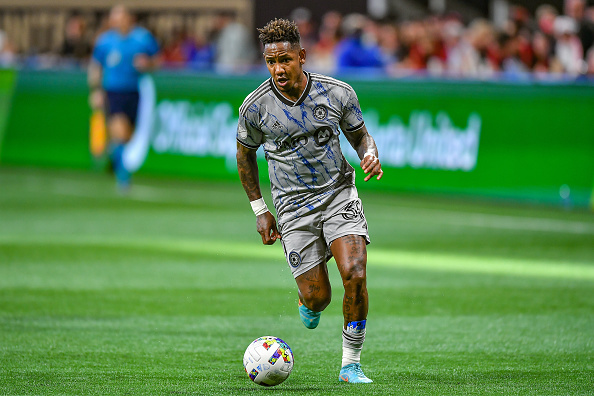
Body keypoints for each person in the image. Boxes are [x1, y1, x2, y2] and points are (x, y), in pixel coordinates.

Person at [236, 18, 383, 384]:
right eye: (271, 62)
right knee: (319, 298)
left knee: (356, 273)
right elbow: (244, 155)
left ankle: (351, 364)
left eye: (285, 60)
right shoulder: (255, 107)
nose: (278, 69)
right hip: (292, 207)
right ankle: (308, 301)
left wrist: (370, 152)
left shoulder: (337, 94)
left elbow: (360, 136)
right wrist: (260, 210)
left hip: (337, 194)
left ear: (301, 56)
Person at [88, 5, 159, 190]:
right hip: (113, 91)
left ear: (129, 18)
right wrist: (96, 90)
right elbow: (96, 67)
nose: (117, 21)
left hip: (135, 92)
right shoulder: (105, 41)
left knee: (127, 136)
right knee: (119, 130)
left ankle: (114, 157)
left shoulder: (142, 38)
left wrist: (148, 63)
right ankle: (123, 177)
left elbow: (157, 60)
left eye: (120, 17)